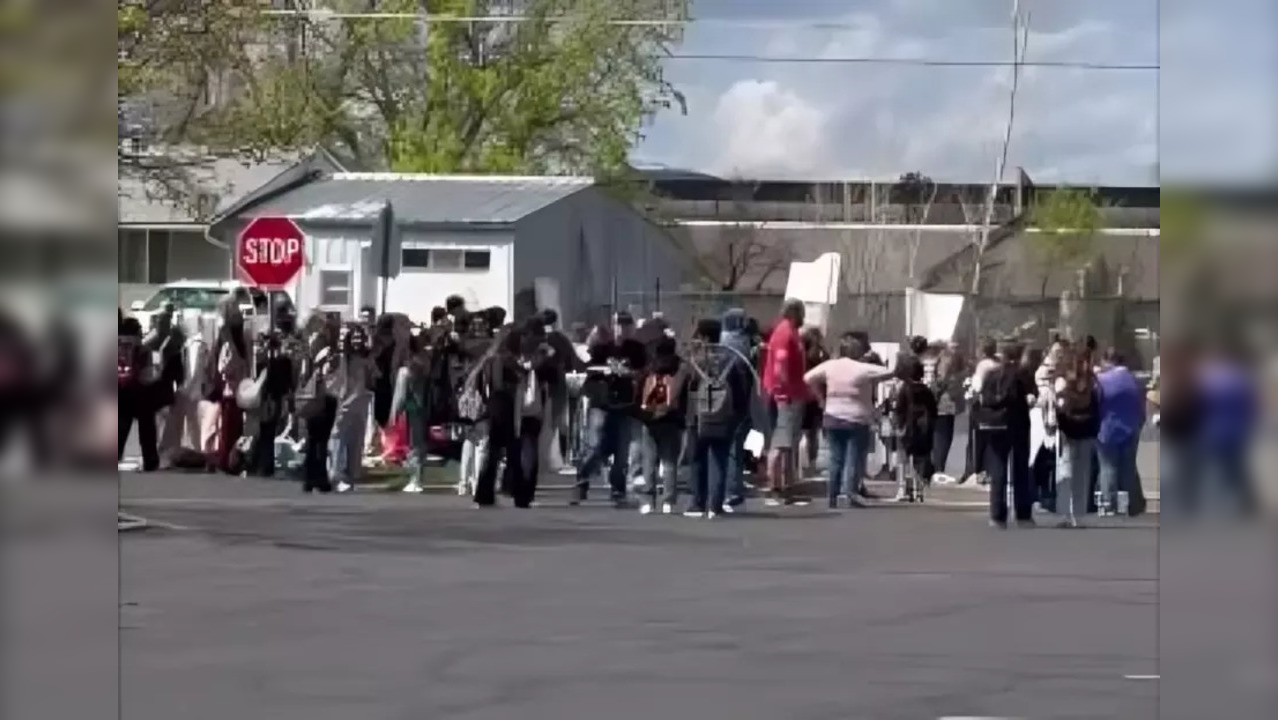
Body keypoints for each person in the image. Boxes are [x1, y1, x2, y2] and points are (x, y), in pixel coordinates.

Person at [803, 333, 895, 509]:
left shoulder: (830, 366)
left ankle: (832, 494)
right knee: (853, 457)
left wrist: (821, 397)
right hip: (857, 417)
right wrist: (897, 361)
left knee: (836, 457)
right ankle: (849, 492)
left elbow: (808, 378)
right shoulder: (862, 368)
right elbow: (888, 373)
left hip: (832, 415)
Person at [687, 318, 753, 517]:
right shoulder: (731, 358)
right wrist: (738, 413)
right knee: (720, 458)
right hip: (724, 416)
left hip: (698, 416)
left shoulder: (696, 359)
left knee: (698, 458)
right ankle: (715, 504)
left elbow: (687, 387)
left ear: (703, 336)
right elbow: (740, 390)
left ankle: (697, 503)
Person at [974, 343, 1035, 528]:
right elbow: (1030, 398)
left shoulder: (992, 374)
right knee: (1021, 470)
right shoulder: (1022, 375)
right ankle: (1023, 514)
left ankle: (997, 515)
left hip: (995, 424)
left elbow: (983, 397)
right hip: (1018, 425)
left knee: (998, 469)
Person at [635, 335, 693, 514]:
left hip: (650, 420)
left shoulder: (650, 369)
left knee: (649, 461)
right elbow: (685, 395)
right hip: (672, 419)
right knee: (669, 462)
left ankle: (648, 500)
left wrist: (642, 414)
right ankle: (668, 500)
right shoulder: (681, 369)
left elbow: (638, 393)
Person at [761, 299, 809, 506]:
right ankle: (775, 487)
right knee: (781, 442)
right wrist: (782, 391)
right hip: (785, 396)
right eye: (802, 313)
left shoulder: (792, 332)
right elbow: (781, 365)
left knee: (788, 442)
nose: (804, 318)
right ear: (794, 313)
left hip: (794, 394)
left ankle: (787, 484)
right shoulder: (784, 333)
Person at [1053, 346, 1100, 527]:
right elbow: (1098, 406)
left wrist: (1060, 424)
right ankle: (1079, 515)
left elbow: (1060, 407)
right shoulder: (1092, 381)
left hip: (1068, 431)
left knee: (1066, 471)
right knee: (1083, 473)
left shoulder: (1064, 381)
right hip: (1087, 430)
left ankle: (1065, 514)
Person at [1095, 348, 1146, 516]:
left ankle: (1109, 503)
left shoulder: (1101, 380)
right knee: (1129, 467)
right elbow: (1141, 405)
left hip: (1107, 428)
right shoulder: (1133, 380)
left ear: (1106, 361)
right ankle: (1136, 503)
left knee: (1108, 467)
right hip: (1131, 427)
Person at [325, 322, 375, 492]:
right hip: (344, 404)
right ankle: (335, 475)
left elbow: (374, 377)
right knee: (338, 440)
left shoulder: (366, 358)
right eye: (354, 337)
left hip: (360, 403)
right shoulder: (342, 357)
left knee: (356, 441)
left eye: (359, 337)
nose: (357, 340)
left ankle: (351, 475)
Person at [246, 332, 295, 477]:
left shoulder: (272, 363)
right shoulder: (272, 362)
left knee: (266, 432)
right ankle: (265, 464)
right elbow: (288, 384)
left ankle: (264, 465)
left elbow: (285, 383)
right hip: (271, 399)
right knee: (267, 432)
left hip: (271, 399)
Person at [890, 354, 938, 503]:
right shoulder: (926, 390)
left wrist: (898, 425)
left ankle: (902, 488)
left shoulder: (905, 388)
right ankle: (919, 490)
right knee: (920, 460)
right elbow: (933, 410)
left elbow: (899, 409)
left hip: (907, 428)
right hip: (923, 430)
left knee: (902, 460)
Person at [392, 335, 435, 494]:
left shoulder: (408, 369)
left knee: (413, 445)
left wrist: (396, 412)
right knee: (420, 444)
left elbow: (401, 395)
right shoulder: (426, 364)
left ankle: (414, 479)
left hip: (412, 408)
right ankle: (417, 478)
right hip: (424, 407)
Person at [118, 316, 159, 471]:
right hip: (141, 391)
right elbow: (148, 374)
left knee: (120, 425)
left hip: (120, 389)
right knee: (147, 427)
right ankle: (150, 460)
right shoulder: (142, 348)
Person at [962, 337, 1001, 485]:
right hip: (997, 407)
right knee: (992, 441)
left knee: (978, 441)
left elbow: (977, 386)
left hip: (982, 406)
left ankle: (975, 470)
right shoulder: (999, 363)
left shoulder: (983, 365)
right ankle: (990, 471)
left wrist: (970, 390)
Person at [929, 344, 966, 483]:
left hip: (944, 402)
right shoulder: (952, 360)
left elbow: (941, 380)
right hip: (948, 403)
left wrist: (934, 393)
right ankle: (939, 468)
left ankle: (938, 467)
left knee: (942, 435)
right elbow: (944, 379)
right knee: (944, 436)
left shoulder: (946, 359)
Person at [799, 326, 829, 477]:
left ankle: (801, 465)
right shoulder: (818, 356)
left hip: (803, 397)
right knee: (812, 434)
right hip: (814, 398)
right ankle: (810, 464)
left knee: (803, 433)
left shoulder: (802, 354)